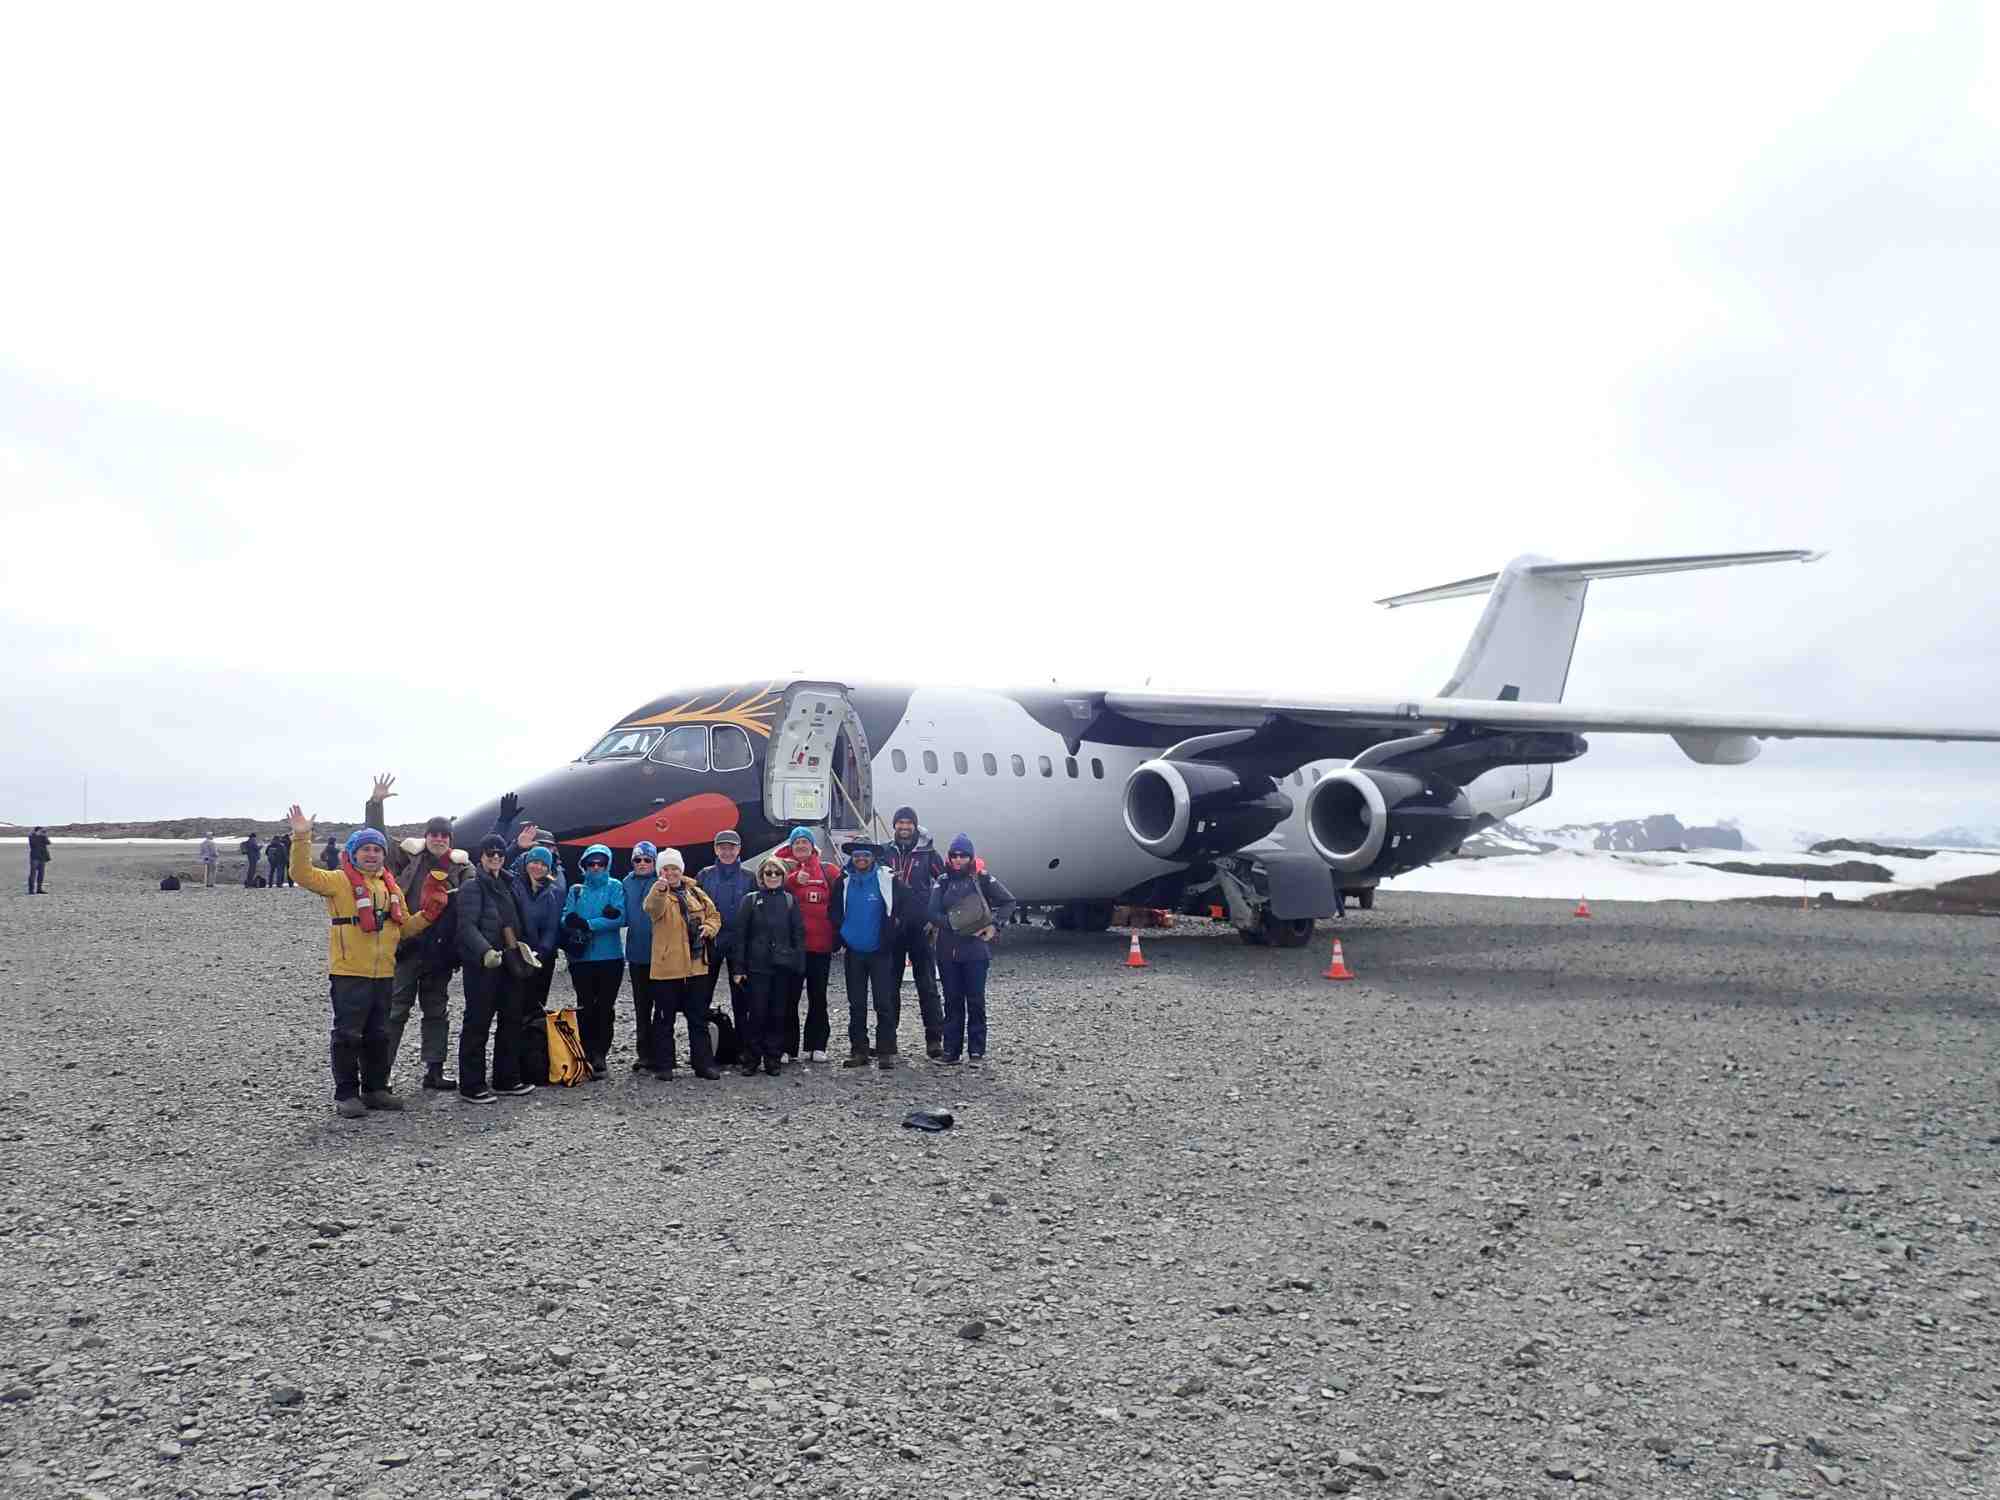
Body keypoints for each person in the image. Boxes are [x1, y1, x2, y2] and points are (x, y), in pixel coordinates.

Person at [286, 807, 447, 1119]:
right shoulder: (337, 882)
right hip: (349, 972)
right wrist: (302, 836)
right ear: (354, 853)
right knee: (347, 1034)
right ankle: (346, 1094)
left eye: (377, 850)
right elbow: (301, 874)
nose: (372, 855)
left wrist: (428, 915)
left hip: (384, 972)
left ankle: (375, 1089)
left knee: (378, 1034)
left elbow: (401, 930)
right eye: (365, 849)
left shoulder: (390, 887)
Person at [379, 808, 469, 1092]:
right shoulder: (407, 858)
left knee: (436, 1012)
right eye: (434, 834)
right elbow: (377, 840)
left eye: (444, 835)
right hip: (406, 947)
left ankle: (434, 1071)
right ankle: (380, 1074)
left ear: (450, 839)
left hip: (439, 953)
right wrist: (376, 804)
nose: (439, 839)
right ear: (426, 836)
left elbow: (478, 895)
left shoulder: (463, 869)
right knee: (394, 1012)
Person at [456, 834, 538, 1102]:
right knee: (478, 1023)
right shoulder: (472, 887)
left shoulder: (508, 882)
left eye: (500, 853)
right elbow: (466, 925)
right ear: (480, 856)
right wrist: (485, 951)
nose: (495, 857)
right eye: (489, 852)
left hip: (509, 962)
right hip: (484, 965)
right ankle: (471, 1084)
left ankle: (506, 1078)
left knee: (511, 1019)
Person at [829, 841, 921, 1070]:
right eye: (857, 855)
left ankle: (886, 1051)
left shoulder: (888, 879)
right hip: (854, 952)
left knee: (884, 1002)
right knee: (856, 1004)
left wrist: (895, 928)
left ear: (873, 858)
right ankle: (859, 1050)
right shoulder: (843, 881)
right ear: (852, 858)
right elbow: (833, 910)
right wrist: (842, 931)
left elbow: (909, 904)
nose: (861, 858)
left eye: (866, 855)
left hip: (881, 951)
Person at [927, 834, 1017, 1066]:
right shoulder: (943, 881)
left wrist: (995, 926)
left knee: (975, 1000)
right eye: (954, 855)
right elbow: (932, 912)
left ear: (970, 856)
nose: (958, 859)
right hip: (948, 950)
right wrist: (955, 924)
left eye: (963, 855)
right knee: (952, 1000)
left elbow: (1009, 901)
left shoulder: (983, 879)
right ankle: (951, 1051)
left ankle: (976, 1051)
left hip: (975, 951)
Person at [640, 848, 724, 1079]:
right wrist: (658, 890)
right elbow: (651, 909)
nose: (670, 872)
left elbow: (714, 915)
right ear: (660, 872)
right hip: (668, 968)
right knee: (664, 1019)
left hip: (697, 967)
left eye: (674, 868)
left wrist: (709, 928)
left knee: (698, 1018)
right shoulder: (658, 892)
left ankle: (703, 1064)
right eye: (666, 869)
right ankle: (665, 1065)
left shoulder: (695, 892)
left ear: (681, 869)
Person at [730, 857, 804, 1076]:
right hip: (756, 967)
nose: (772, 877)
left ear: (783, 876)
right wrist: (738, 968)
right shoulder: (750, 901)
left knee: (778, 1013)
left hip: (782, 967)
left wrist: (798, 965)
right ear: (761, 877)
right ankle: (752, 1058)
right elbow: (740, 937)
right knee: (757, 1013)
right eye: (768, 873)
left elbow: (798, 934)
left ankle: (773, 1057)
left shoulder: (790, 901)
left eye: (777, 873)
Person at [885, 807, 947, 1057]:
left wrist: (937, 920)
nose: (904, 827)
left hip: (921, 929)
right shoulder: (885, 852)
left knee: (927, 985)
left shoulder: (928, 853)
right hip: (893, 929)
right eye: (900, 823)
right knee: (890, 987)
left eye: (908, 823)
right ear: (894, 826)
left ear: (915, 826)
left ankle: (934, 1039)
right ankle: (888, 1039)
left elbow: (944, 884)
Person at [560, 844, 627, 1076]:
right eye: (591, 863)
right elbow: (565, 917)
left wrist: (587, 923)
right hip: (582, 958)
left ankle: (600, 1054)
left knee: (605, 1008)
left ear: (607, 865)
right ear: (584, 865)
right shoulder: (576, 890)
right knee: (585, 1006)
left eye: (601, 863)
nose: (596, 867)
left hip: (610, 958)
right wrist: (571, 921)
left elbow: (620, 917)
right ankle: (587, 1051)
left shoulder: (615, 886)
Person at [777, 827, 840, 1064]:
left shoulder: (828, 870)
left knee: (818, 997)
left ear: (812, 846)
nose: (801, 846)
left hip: (819, 946)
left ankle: (817, 1045)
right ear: (791, 847)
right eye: (797, 842)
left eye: (805, 842)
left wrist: (838, 936)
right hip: (792, 947)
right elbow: (765, 885)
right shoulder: (779, 867)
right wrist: (792, 880)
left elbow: (840, 900)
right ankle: (787, 1047)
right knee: (788, 998)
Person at [694, 829, 757, 1063]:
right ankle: (703, 1051)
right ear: (715, 850)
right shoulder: (705, 876)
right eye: (722, 847)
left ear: (739, 849)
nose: (727, 851)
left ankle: (743, 1049)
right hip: (711, 942)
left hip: (739, 943)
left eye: (732, 847)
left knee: (742, 998)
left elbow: (755, 911)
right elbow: (695, 907)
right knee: (702, 996)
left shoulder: (750, 877)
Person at [509, 843, 566, 1054]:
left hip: (541, 958)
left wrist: (540, 953)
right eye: (534, 861)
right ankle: (512, 1060)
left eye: (543, 864)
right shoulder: (513, 885)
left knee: (535, 1006)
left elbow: (552, 927)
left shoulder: (554, 892)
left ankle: (531, 1059)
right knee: (514, 1008)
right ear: (526, 862)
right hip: (516, 954)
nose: (538, 867)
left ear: (549, 868)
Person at [620, 841, 666, 1074]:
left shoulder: (662, 882)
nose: (642, 864)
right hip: (637, 955)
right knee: (641, 1008)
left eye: (647, 860)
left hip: (660, 955)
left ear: (654, 862)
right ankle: (644, 1054)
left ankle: (662, 1055)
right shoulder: (625, 883)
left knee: (662, 1008)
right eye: (638, 860)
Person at [27, 827, 51, 894]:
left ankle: (39, 889)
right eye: (40, 831)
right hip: (35, 857)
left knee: (41, 874)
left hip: (42, 857)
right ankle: (31, 890)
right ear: (36, 831)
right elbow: (33, 844)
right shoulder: (31, 836)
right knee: (33, 874)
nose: (42, 832)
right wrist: (37, 835)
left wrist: (45, 836)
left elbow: (48, 843)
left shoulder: (43, 837)